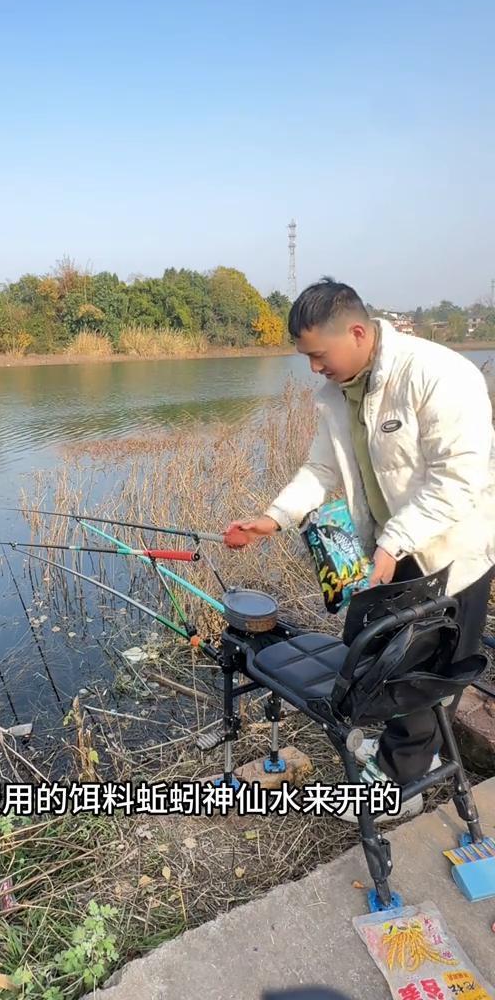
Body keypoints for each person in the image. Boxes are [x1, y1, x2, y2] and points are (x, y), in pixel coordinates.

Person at [224, 278, 495, 820]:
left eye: (318, 355)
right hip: (391, 553)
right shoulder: (336, 393)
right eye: (307, 358)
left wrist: (393, 543)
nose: (314, 368)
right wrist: (273, 518)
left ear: (356, 332)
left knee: (428, 671)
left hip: (451, 553)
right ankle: (404, 752)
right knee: (389, 661)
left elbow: (458, 480)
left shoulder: (437, 374)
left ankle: (400, 784)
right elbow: (320, 469)